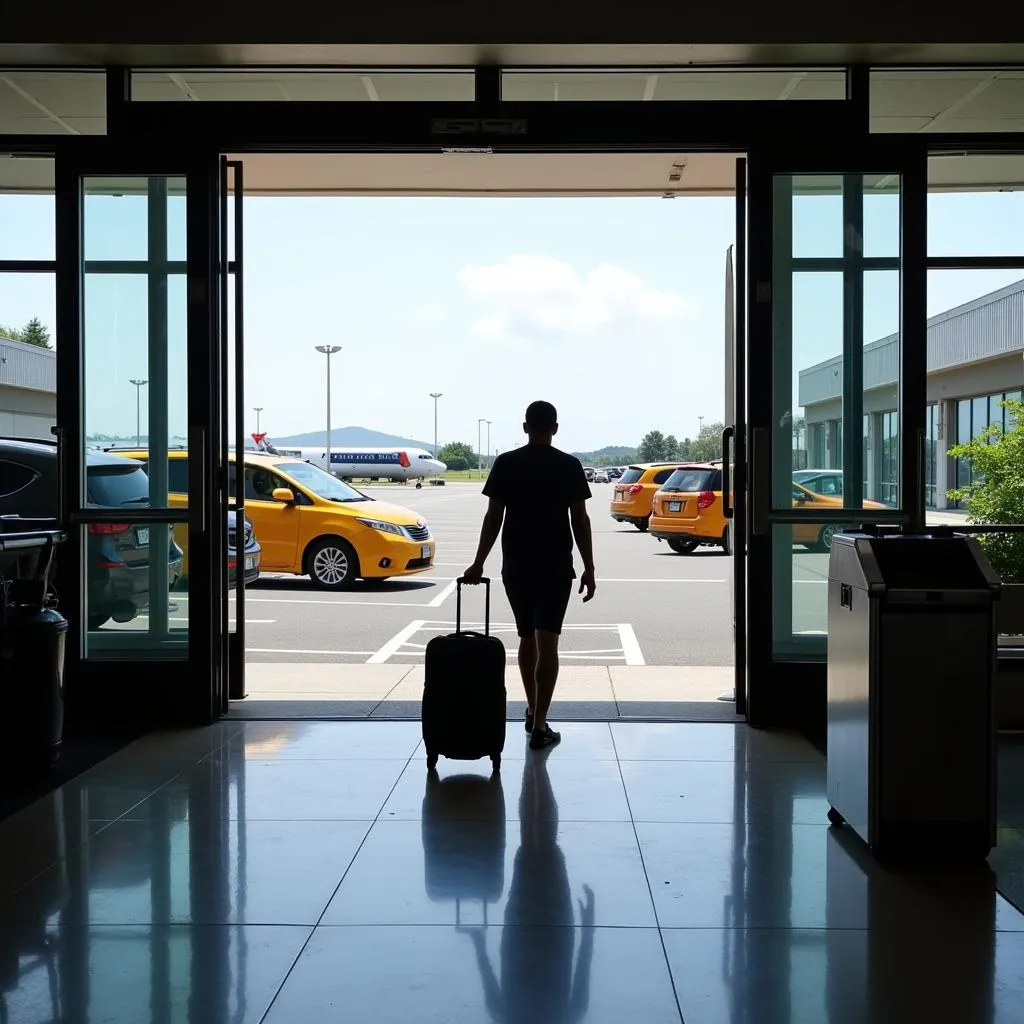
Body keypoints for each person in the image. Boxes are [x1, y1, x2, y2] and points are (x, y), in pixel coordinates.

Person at [464, 400, 596, 751]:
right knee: (547, 642)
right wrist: (590, 567)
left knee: (526, 638)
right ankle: (540, 724)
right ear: (554, 428)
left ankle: (533, 710)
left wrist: (478, 563)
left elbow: (493, 518)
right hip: (555, 567)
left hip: (517, 567)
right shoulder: (569, 465)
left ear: (525, 427)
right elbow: (579, 520)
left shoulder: (507, 463)